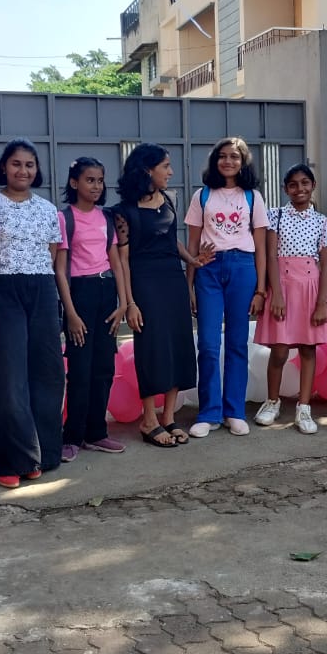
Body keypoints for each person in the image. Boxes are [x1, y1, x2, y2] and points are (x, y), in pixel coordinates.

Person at [0, 139, 64, 488]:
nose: (23, 170)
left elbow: (52, 254)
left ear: (37, 170)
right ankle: (12, 460)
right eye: (16, 163)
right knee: (9, 376)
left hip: (42, 290)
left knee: (47, 372)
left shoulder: (48, 210)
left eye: (30, 164)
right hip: (4, 293)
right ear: (4, 167)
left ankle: (41, 452)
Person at [114, 143, 210, 447]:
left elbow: (171, 240)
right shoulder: (123, 211)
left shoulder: (168, 200)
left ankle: (168, 417)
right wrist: (130, 303)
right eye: (165, 166)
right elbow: (123, 261)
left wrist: (192, 260)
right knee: (152, 349)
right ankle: (149, 420)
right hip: (145, 283)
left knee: (178, 345)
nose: (171, 172)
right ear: (147, 170)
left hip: (173, 281)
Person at [185, 137, 270, 438]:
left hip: (243, 268)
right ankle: (209, 413)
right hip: (208, 270)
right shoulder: (202, 195)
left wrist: (261, 290)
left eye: (234, 156)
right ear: (215, 160)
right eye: (222, 156)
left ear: (243, 161)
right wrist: (189, 285)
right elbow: (192, 244)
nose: (228, 161)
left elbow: (261, 247)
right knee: (208, 344)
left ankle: (234, 411)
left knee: (236, 342)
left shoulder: (252, 197)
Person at [54, 157, 128, 462]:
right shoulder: (64, 218)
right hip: (80, 296)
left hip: (106, 292)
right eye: (89, 180)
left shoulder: (106, 218)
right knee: (80, 370)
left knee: (104, 368)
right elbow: (60, 270)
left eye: (100, 180)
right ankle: (72, 436)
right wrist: (70, 314)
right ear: (74, 183)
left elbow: (116, 262)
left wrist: (123, 303)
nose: (96, 186)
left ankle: (96, 433)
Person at [253, 164, 327, 434]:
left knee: (308, 349)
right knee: (279, 349)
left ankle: (304, 407)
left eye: (305, 183)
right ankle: (272, 401)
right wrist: (275, 293)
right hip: (283, 288)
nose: (299, 189)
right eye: (293, 184)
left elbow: (326, 264)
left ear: (313, 186)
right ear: (285, 189)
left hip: (311, 290)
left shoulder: (323, 222)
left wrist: (322, 302)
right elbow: (271, 256)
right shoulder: (275, 216)